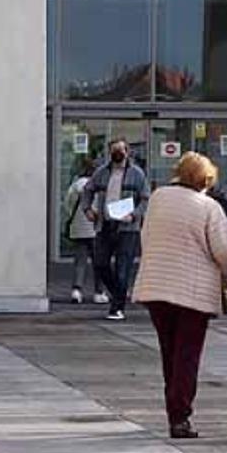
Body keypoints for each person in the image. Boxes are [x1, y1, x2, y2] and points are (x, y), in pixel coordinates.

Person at [134, 152, 227, 439]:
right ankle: (180, 416)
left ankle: (174, 409)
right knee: (187, 355)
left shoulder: (158, 198)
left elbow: (145, 237)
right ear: (205, 180)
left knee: (169, 353)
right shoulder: (208, 207)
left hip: (156, 287)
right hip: (192, 293)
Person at [83, 138, 150, 321]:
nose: (117, 154)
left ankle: (116, 308)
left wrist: (134, 215)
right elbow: (88, 189)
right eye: (114, 150)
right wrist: (87, 209)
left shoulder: (137, 174)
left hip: (127, 226)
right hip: (105, 223)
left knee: (123, 267)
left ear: (127, 152)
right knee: (100, 263)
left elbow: (145, 198)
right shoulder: (102, 173)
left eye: (120, 150)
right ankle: (118, 292)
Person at [64, 159, 107, 305]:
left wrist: (73, 217)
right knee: (99, 262)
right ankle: (98, 292)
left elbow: (68, 204)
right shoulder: (100, 185)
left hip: (79, 227)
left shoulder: (76, 185)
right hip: (96, 227)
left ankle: (77, 290)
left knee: (80, 261)